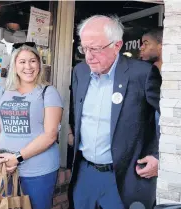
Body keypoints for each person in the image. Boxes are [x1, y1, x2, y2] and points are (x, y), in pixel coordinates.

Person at [69, 15, 161, 209]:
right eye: (84, 48)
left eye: (95, 48)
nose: (88, 56)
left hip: (125, 176)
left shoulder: (142, 74)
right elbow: (77, 115)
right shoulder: (80, 72)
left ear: (117, 45)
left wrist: (157, 155)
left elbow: (166, 120)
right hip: (85, 173)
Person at [0, 42, 63, 209]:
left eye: (32, 61)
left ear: (39, 64)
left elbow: (50, 134)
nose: (28, 66)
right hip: (5, 169)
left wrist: (17, 157)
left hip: (38, 172)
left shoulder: (48, 92)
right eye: (22, 62)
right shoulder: (2, 91)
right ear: (14, 65)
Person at [140, 27, 164, 141]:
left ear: (161, 45)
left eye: (146, 43)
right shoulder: (143, 74)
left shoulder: (174, 77)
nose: (141, 48)